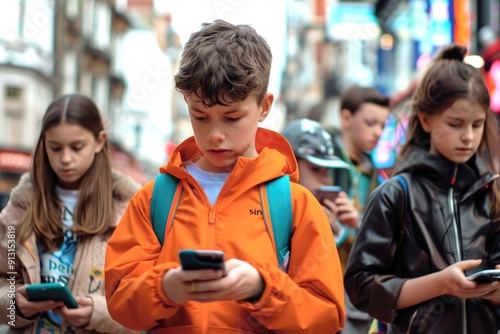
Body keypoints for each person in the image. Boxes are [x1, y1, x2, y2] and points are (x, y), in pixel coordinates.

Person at [105, 19, 345, 333]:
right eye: (200, 116)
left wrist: (262, 288)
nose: (215, 134)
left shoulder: (296, 204)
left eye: (232, 117)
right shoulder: (154, 198)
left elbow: (326, 316)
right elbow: (120, 302)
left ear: (264, 107)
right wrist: (165, 288)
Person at [344, 44, 500, 333]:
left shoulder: (492, 192)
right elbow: (360, 286)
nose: (468, 136)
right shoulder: (396, 194)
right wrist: (439, 284)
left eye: (477, 125)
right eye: (455, 124)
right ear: (426, 120)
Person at [0, 94, 141, 333]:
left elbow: (144, 307)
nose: (65, 159)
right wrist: (15, 305)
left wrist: (96, 314)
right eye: (55, 148)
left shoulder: (129, 210)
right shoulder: (19, 209)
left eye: (77, 147)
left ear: (99, 142)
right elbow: (5, 279)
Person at [326, 84, 391, 334]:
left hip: (357, 285)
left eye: (382, 126)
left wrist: (359, 222)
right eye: (370, 122)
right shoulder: (320, 160)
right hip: (322, 277)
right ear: (346, 117)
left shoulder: (376, 175)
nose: (377, 132)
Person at [281, 118, 359, 247]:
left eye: (328, 170)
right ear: (289, 166)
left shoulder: (331, 219)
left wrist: (349, 228)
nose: (326, 179)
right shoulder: (267, 208)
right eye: (315, 169)